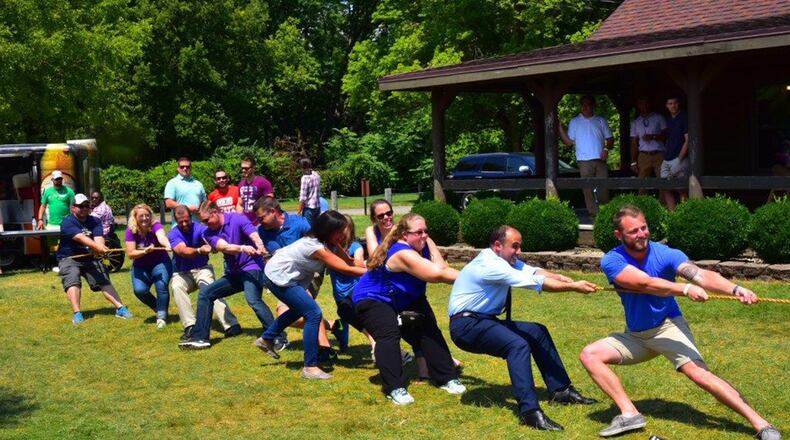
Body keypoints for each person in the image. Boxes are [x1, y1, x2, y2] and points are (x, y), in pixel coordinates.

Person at [579, 205, 782, 439]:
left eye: (644, 228)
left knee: (699, 374)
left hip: (667, 326)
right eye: (633, 231)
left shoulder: (665, 253)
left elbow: (699, 274)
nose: (642, 234)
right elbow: (644, 283)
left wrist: (735, 288)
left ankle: (762, 425)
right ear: (618, 235)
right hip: (636, 335)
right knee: (590, 355)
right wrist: (684, 289)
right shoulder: (612, 260)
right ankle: (630, 414)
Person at [448, 225, 598, 431]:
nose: (519, 252)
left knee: (537, 331)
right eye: (515, 246)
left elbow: (533, 271)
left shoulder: (503, 259)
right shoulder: (491, 266)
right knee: (517, 345)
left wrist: (561, 278)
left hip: (484, 320)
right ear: (498, 245)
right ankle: (529, 413)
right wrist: (573, 287)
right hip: (466, 327)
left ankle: (561, 391)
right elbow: (534, 281)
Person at [352, 213, 464, 405]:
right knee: (388, 333)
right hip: (373, 299)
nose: (423, 236)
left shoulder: (425, 242)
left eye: (426, 231)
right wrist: (480, 279)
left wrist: (429, 241)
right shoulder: (401, 252)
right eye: (418, 232)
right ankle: (394, 388)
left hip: (406, 297)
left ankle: (447, 377)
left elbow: (442, 266)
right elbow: (438, 274)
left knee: (429, 329)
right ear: (404, 235)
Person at [255, 211, 367, 380]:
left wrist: (373, 267)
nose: (343, 234)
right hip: (278, 276)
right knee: (313, 313)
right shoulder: (315, 246)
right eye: (340, 231)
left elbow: (350, 262)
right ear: (328, 230)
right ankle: (310, 367)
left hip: (288, 276)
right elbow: (346, 269)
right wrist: (371, 275)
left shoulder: (331, 243)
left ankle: (267, 338)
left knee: (300, 309)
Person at [179, 201, 284, 350]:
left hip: (252, 268)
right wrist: (242, 248)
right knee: (206, 294)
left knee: (253, 300)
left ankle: (278, 337)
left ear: (215, 212)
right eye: (203, 221)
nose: (205, 223)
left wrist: (259, 245)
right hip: (234, 273)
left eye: (207, 220)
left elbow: (253, 233)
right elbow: (224, 247)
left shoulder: (237, 218)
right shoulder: (208, 232)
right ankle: (201, 337)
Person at [255, 196, 333, 353]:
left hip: (309, 271)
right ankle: (334, 326)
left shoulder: (299, 223)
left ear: (273, 211)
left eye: (262, 217)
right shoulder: (263, 230)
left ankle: (325, 350)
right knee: (292, 310)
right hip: (285, 274)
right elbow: (277, 253)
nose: (259, 221)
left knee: (308, 307)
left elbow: (316, 245)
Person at [55, 194, 132, 324]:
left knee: (104, 280)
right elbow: (80, 237)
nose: (84, 209)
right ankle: (77, 313)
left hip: (89, 257)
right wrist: (97, 247)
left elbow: (98, 237)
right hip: (69, 258)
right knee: (72, 279)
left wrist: (100, 247)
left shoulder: (95, 221)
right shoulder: (67, 222)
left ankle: (120, 308)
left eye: (87, 206)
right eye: (80, 206)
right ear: (73, 208)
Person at [168, 205, 242, 341]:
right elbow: (182, 251)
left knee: (210, 287)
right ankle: (190, 326)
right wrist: (199, 250)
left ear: (191, 217)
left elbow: (210, 238)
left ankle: (231, 325)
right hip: (182, 273)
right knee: (176, 287)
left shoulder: (201, 228)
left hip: (202, 268)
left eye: (186, 220)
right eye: (180, 221)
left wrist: (212, 245)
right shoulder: (173, 233)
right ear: (175, 220)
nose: (184, 224)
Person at [558, 95, 613, 217]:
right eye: (583, 105)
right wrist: (560, 129)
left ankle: (604, 212)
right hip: (583, 161)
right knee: (587, 189)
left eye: (588, 105)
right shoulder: (574, 121)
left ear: (593, 106)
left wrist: (605, 148)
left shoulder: (600, 120)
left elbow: (610, 139)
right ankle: (593, 213)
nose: (585, 107)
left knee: (603, 186)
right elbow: (568, 142)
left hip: (600, 159)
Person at [326, 214, 371, 353]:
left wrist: (353, 260)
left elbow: (358, 262)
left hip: (355, 290)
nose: (340, 232)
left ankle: (377, 340)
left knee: (356, 315)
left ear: (350, 229)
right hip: (339, 292)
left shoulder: (355, 247)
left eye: (343, 228)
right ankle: (343, 341)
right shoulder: (331, 247)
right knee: (345, 315)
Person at [125, 203, 173, 329]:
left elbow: (161, 236)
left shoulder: (156, 225)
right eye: (141, 216)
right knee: (140, 290)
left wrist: (167, 244)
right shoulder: (131, 231)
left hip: (160, 262)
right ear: (135, 217)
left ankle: (162, 317)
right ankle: (158, 308)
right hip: (141, 265)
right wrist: (145, 251)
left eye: (147, 215)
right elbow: (130, 254)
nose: (145, 218)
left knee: (161, 286)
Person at [629, 97, 667, 196]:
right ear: (638, 106)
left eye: (646, 103)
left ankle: (663, 207)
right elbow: (634, 142)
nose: (644, 106)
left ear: (650, 104)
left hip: (659, 154)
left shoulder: (659, 118)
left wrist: (653, 136)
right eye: (641, 103)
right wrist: (633, 161)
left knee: (663, 182)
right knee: (642, 183)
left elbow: (666, 135)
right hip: (644, 155)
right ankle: (641, 208)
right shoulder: (636, 122)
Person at [661, 96, 689, 209]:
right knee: (665, 187)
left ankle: (683, 215)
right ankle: (672, 216)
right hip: (667, 158)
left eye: (675, 103)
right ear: (667, 106)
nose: (673, 105)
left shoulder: (684, 117)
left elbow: (688, 140)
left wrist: (679, 158)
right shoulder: (668, 120)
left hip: (679, 159)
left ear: (678, 104)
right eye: (670, 103)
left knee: (680, 188)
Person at [164, 157, 207, 223]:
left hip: (197, 224)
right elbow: (168, 203)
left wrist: (200, 210)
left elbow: (204, 202)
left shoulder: (198, 184)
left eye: (187, 166)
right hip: (180, 224)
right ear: (178, 168)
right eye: (182, 167)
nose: (185, 168)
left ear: (191, 168)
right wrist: (187, 208)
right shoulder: (172, 183)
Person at [236, 156, 274, 224]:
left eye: (246, 168)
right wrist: (239, 219)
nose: (243, 170)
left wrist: (264, 219)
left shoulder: (263, 182)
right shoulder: (241, 184)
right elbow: (239, 204)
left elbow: (270, 202)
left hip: (260, 222)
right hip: (245, 223)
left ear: (253, 168)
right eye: (242, 168)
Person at [297, 158, 321, 227]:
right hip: (317, 207)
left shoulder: (305, 178)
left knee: (308, 231)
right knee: (316, 229)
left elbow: (303, 198)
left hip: (309, 209)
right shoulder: (316, 175)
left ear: (302, 167)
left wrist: (298, 212)